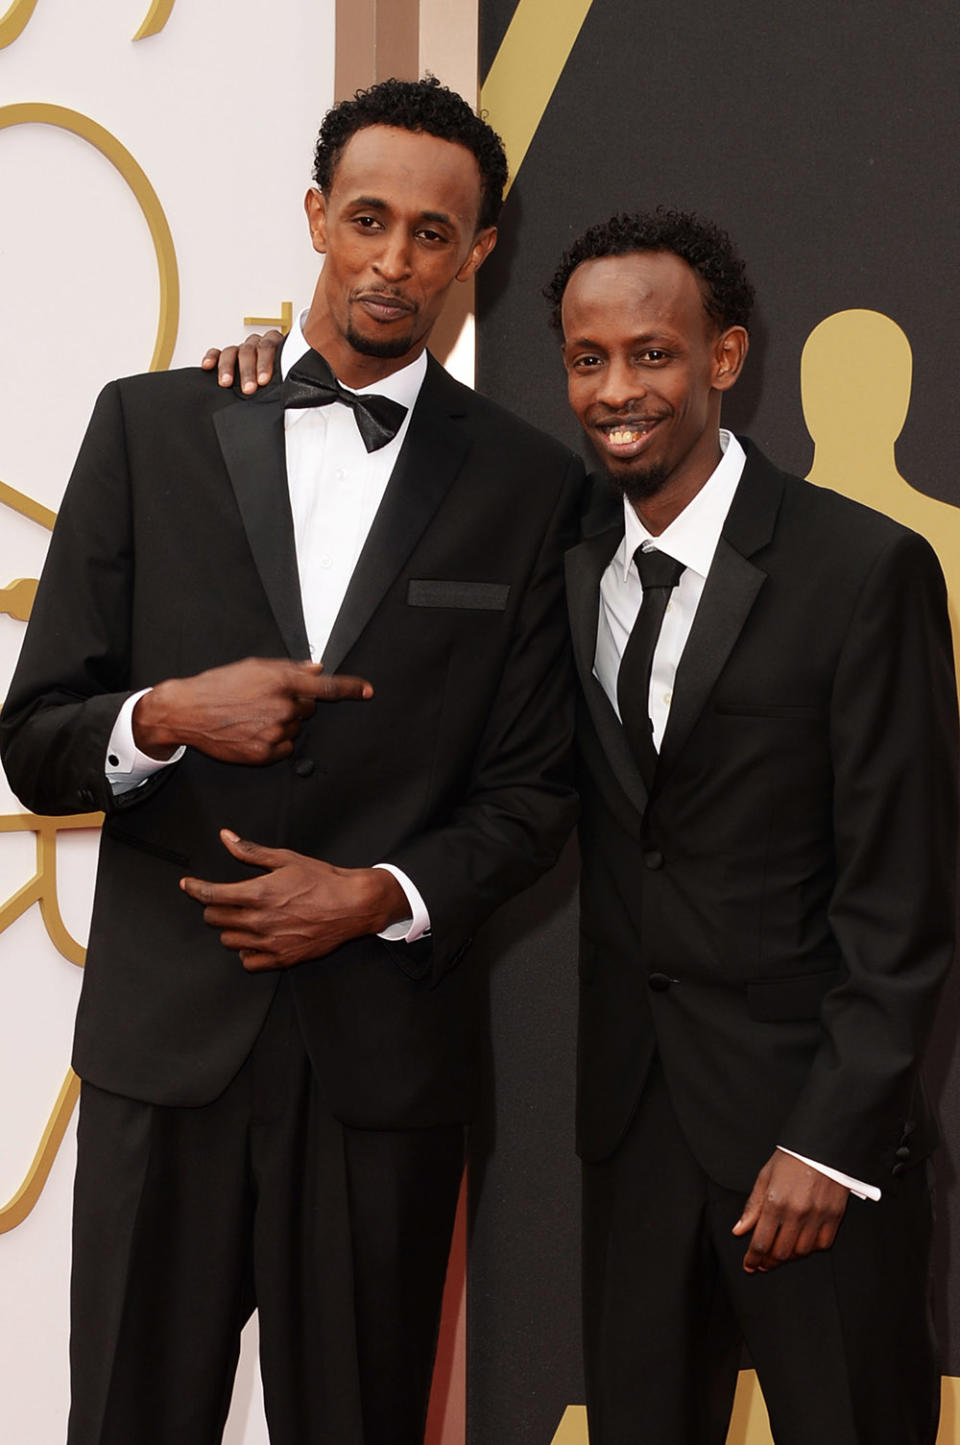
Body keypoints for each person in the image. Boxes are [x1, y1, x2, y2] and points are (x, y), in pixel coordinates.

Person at [0, 77, 584, 1445]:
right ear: (316, 215)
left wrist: (375, 892)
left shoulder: (528, 484)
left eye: (435, 233)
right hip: (165, 1059)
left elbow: (536, 793)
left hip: (383, 1074)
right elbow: (34, 743)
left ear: (480, 249)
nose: (394, 260)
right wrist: (169, 715)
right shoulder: (150, 426)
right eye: (368, 219)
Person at [548, 210, 957, 1444]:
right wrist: (256, 377)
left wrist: (830, 1143)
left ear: (724, 357)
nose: (618, 390)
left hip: (809, 1143)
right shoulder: (555, 549)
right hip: (633, 1136)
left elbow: (904, 895)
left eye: (652, 354)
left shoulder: (862, 567)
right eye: (587, 359)